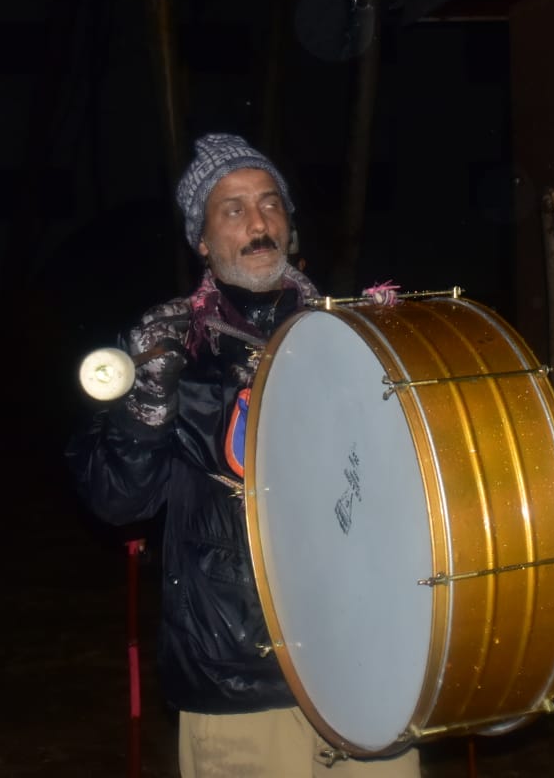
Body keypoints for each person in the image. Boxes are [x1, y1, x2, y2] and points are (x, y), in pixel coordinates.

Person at [67, 134, 421, 777]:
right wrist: (149, 400)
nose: (258, 224)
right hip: (235, 673)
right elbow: (117, 500)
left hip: (364, 659)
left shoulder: (350, 334)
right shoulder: (167, 344)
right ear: (201, 240)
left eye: (269, 204)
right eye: (232, 210)